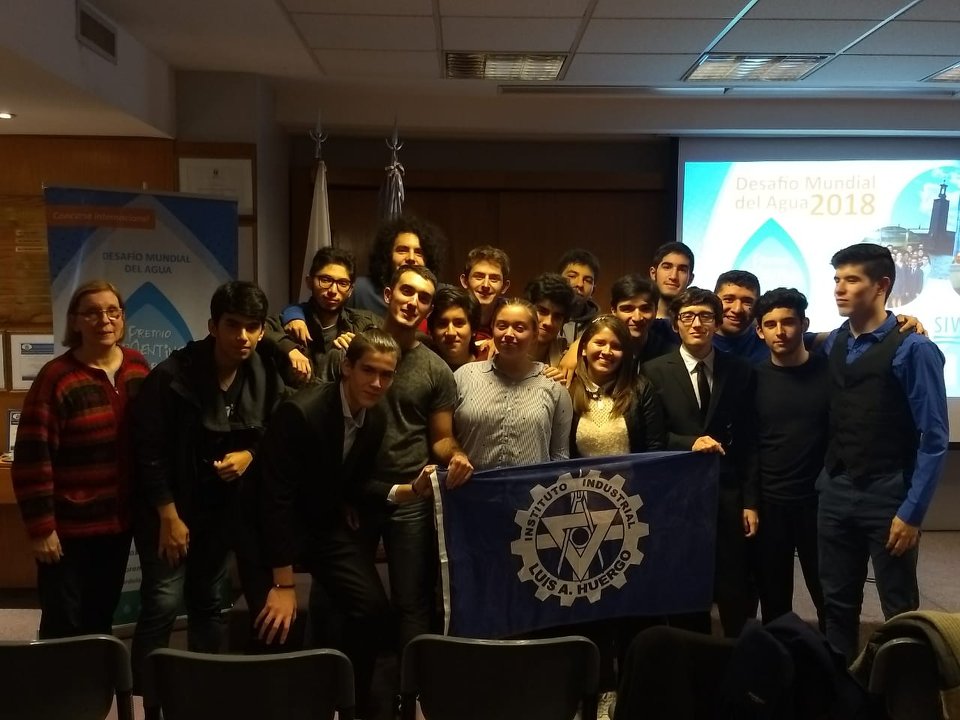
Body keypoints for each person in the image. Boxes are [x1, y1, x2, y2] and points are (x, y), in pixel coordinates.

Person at [237, 329, 423, 716]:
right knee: (276, 624)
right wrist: (283, 584)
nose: (377, 383)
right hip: (266, 528)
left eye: (386, 374)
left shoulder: (375, 417)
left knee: (372, 609)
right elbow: (274, 501)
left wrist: (407, 491)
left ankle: (350, 703)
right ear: (347, 367)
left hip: (320, 522)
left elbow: (355, 483)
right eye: (368, 370)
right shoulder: (300, 411)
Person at [130, 281, 287, 719]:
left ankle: (205, 690)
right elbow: (148, 453)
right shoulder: (171, 377)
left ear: (262, 331)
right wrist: (168, 516)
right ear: (212, 326)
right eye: (232, 325)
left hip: (222, 513)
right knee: (163, 602)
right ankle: (142, 700)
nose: (242, 336)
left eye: (252, 327)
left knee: (208, 603)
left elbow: (278, 434)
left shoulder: (265, 375)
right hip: (168, 510)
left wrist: (250, 455)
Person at [321, 264, 473, 653]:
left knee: (412, 603)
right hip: (357, 495)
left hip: (412, 497)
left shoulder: (436, 369)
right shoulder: (353, 351)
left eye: (424, 298)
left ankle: (410, 683)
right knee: (345, 598)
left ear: (429, 309)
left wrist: (457, 456)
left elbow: (441, 438)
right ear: (389, 295)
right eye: (407, 292)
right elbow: (328, 430)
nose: (413, 302)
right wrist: (338, 495)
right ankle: (347, 680)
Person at [818, 243, 948, 662]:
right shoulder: (834, 341)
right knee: (836, 603)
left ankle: (904, 691)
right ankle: (840, 690)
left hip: (890, 495)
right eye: (837, 279)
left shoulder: (914, 348)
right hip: (835, 491)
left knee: (899, 608)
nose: (839, 288)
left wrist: (913, 513)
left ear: (881, 286)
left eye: (851, 280)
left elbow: (934, 438)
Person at [12, 280, 150, 639]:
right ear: (75, 321)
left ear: (122, 317)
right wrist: (41, 529)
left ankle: (94, 677)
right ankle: (58, 679)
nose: (104, 320)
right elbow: (32, 457)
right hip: (67, 533)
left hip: (118, 527)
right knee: (63, 624)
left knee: (100, 618)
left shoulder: (137, 367)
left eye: (112, 311)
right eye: (92, 312)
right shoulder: (56, 378)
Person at [642, 287, 759, 638]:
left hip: (728, 492)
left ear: (717, 323)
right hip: (678, 495)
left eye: (706, 316)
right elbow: (650, 438)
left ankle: (737, 659)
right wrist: (689, 442)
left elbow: (750, 441)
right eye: (688, 316)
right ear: (675, 324)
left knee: (734, 586)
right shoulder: (653, 371)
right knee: (685, 585)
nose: (697, 323)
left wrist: (751, 502)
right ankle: (693, 659)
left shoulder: (740, 370)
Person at [752, 288, 826, 628]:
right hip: (770, 506)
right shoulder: (752, 379)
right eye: (770, 324)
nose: (780, 332)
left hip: (820, 504)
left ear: (804, 325)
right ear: (759, 331)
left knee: (828, 597)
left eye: (788, 322)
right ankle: (778, 661)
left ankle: (833, 660)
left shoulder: (830, 372)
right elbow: (749, 445)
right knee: (774, 603)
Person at [453, 298, 573, 470]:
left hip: (532, 486)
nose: (509, 334)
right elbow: (447, 438)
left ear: (534, 335)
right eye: (502, 326)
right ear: (492, 329)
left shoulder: (554, 386)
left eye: (519, 328)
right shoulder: (464, 376)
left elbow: (560, 457)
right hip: (473, 484)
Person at [266, 247, 379, 383]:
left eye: (343, 283)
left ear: (350, 290)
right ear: (309, 282)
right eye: (325, 280)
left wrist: (362, 346)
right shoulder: (291, 322)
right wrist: (288, 347)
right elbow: (257, 331)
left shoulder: (362, 322)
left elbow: (391, 341)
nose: (333, 290)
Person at [568, 314, 666, 457]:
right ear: (583, 348)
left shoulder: (641, 389)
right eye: (600, 343)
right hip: (580, 473)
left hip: (635, 472)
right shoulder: (568, 390)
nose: (607, 352)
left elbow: (655, 447)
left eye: (616, 346)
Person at [560, 274, 674, 378]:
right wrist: (579, 346)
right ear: (613, 310)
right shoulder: (601, 349)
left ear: (656, 310)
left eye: (645, 309)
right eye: (627, 309)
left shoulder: (667, 337)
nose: (637, 318)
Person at [348, 214, 446, 315]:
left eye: (419, 253)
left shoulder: (437, 295)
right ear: (387, 255)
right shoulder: (360, 290)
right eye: (402, 250)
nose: (411, 258)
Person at [524, 272, 576, 381]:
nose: (548, 322)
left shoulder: (565, 355)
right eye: (542, 311)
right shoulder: (500, 346)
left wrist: (577, 347)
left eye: (557, 316)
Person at [459, 245, 511, 353]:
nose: (486, 285)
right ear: (465, 281)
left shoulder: (513, 319)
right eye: (479, 277)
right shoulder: (449, 313)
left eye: (494, 279)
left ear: (504, 286)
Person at [712, 270, 769, 365]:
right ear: (713, 301)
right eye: (729, 299)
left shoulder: (769, 347)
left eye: (747, 302)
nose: (737, 309)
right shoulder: (693, 341)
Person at [427, 286, 481, 370]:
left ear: (473, 329)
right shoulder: (424, 365)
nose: (451, 333)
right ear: (432, 331)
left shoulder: (487, 361)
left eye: (459, 323)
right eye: (442, 324)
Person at [557, 248, 601, 344]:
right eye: (572, 276)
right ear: (558, 279)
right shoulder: (542, 319)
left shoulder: (599, 327)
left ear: (593, 290)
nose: (580, 284)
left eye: (588, 280)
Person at [649, 241, 695, 319]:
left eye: (682, 270)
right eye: (667, 267)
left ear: (690, 279)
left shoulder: (696, 323)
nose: (673, 277)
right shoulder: (637, 321)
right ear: (653, 273)